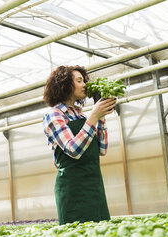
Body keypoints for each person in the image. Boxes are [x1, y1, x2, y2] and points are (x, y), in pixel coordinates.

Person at [42, 65, 116, 225]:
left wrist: (101, 117)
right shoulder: (54, 114)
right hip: (73, 189)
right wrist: (94, 116)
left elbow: (102, 149)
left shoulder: (80, 113)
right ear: (65, 84)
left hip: (94, 186)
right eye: (79, 81)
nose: (85, 85)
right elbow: (73, 150)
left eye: (84, 81)